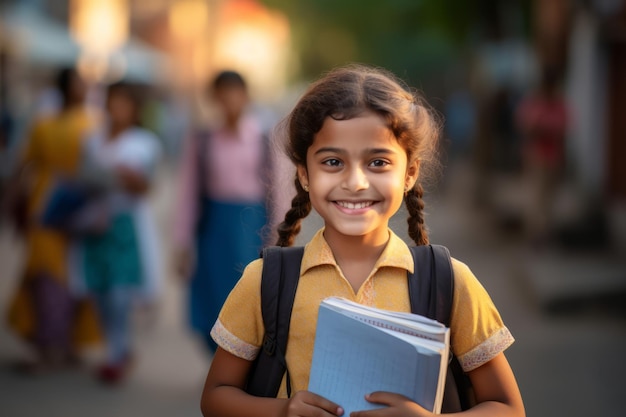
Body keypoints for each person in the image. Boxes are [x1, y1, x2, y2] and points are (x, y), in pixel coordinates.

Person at [200, 65, 525, 417]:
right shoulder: (265, 281)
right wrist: (283, 410)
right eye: (333, 161)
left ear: (409, 173)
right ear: (305, 175)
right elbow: (216, 397)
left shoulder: (449, 281)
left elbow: (508, 407)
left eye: (378, 162)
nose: (355, 182)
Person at [5, 67, 101, 372]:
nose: (85, 89)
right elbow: (24, 166)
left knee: (76, 278)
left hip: (74, 207)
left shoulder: (92, 124)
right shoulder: (55, 124)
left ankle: (67, 342)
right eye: (79, 83)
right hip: (52, 208)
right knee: (47, 276)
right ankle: (47, 342)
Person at [172, 70, 275, 354]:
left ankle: (245, 365)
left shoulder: (263, 139)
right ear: (214, 98)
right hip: (214, 226)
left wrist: (278, 239)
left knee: (248, 295)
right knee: (212, 295)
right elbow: (189, 193)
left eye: (235, 92)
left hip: (251, 227)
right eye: (222, 93)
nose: (229, 100)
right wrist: (181, 243)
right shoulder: (204, 141)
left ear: (246, 96)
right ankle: (218, 365)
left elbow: (277, 192)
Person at [69, 81, 162, 384]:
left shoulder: (144, 143)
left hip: (125, 226)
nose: (117, 109)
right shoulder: (92, 140)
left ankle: (118, 351)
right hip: (95, 224)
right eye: (113, 102)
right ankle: (114, 348)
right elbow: (81, 177)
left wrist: (124, 177)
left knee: (121, 291)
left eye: (124, 103)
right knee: (98, 289)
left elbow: (146, 186)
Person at [515, 66, 569, 247]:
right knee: (535, 197)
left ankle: (545, 235)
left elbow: (563, 129)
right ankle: (536, 236)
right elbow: (527, 127)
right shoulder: (535, 103)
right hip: (536, 157)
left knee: (549, 199)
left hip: (553, 157)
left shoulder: (559, 104)